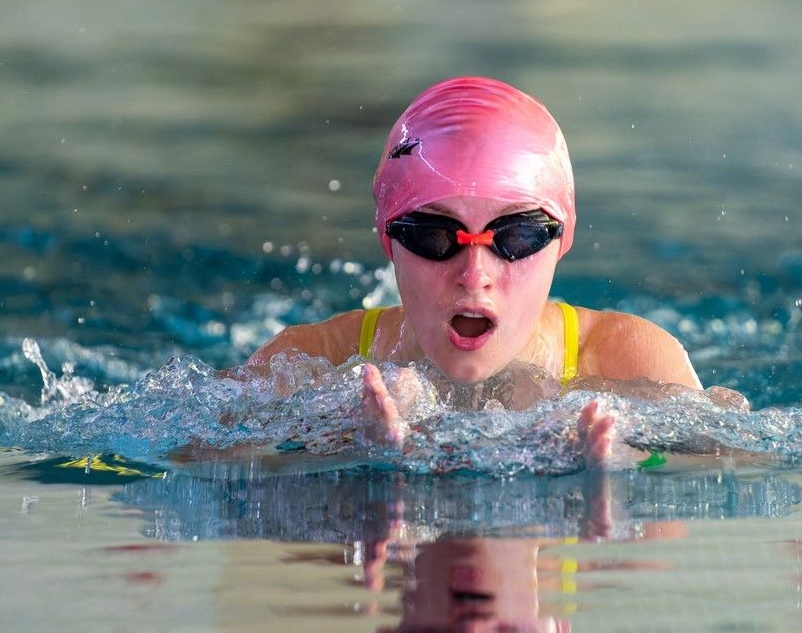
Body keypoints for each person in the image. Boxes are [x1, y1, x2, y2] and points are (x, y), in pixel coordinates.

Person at [237, 77, 746, 465]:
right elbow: (200, 465)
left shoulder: (627, 361)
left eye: (516, 236)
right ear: (389, 240)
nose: (474, 274)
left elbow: (744, 467)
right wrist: (339, 446)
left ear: (562, 239)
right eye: (435, 236)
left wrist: (630, 465)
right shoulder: (316, 364)